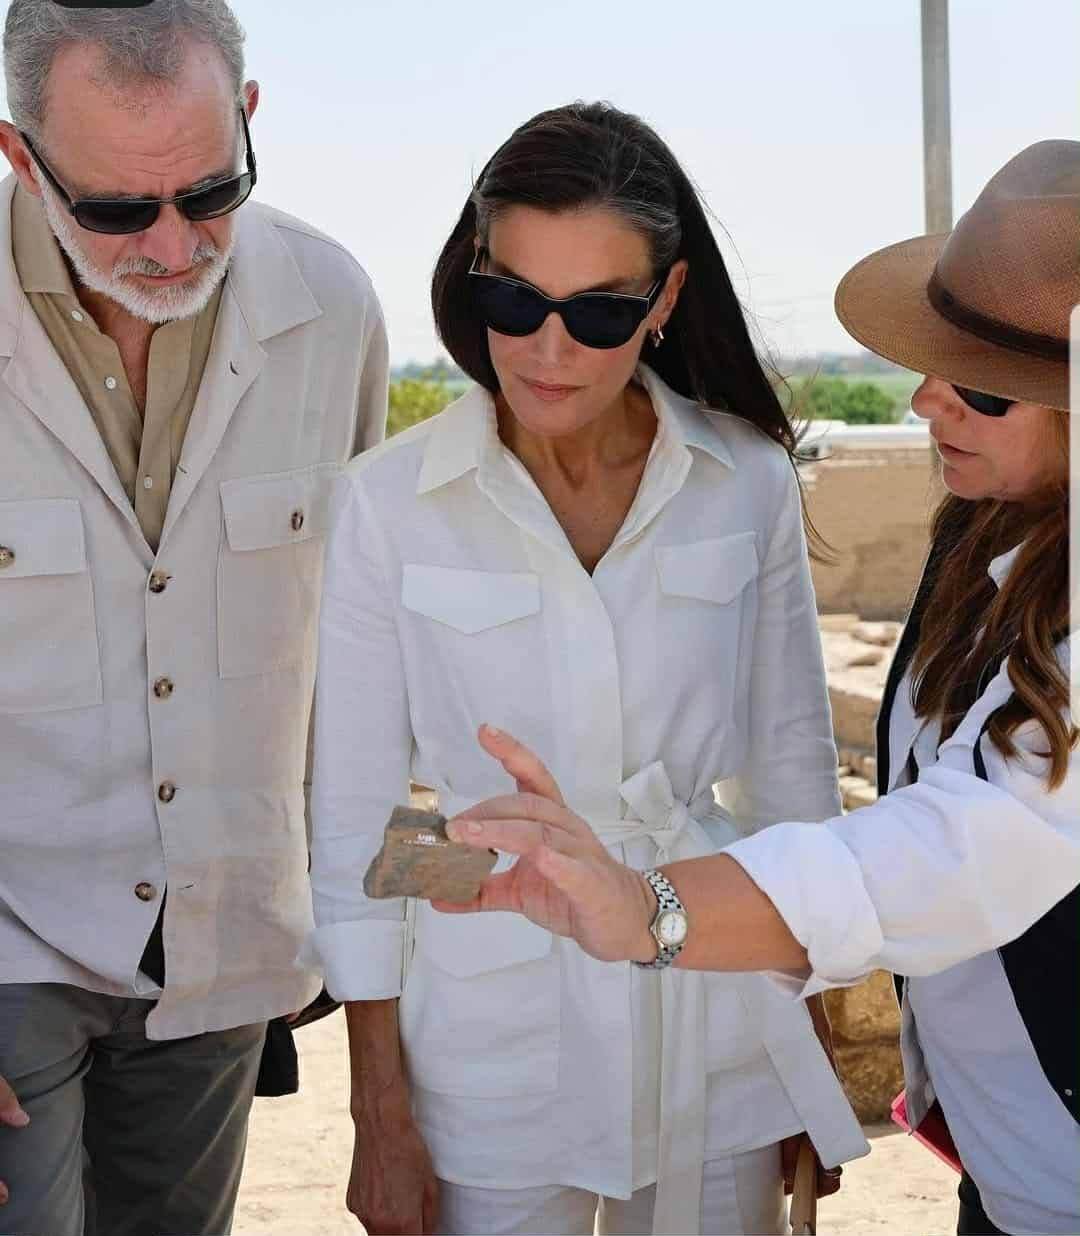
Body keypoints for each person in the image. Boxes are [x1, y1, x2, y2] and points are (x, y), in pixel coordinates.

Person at [442, 140, 1080, 1236]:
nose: (925, 399)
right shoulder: (984, 533)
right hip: (1005, 1160)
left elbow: (959, 849)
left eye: (982, 388)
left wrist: (651, 907)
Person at [307, 100, 867, 1236]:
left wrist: (806, 1045)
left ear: (664, 301)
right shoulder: (387, 502)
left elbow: (794, 781)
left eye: (600, 312)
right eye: (515, 301)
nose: (548, 351)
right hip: (489, 1044)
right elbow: (362, 820)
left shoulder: (748, 482)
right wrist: (380, 1112)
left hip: (714, 1004)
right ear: (475, 275)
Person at [0, 2, 387, 1233]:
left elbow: (352, 645)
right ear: (19, 157)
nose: (173, 246)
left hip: (226, 935)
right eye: (119, 209)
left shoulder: (332, 305)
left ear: (251, 117)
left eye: (211, 192)